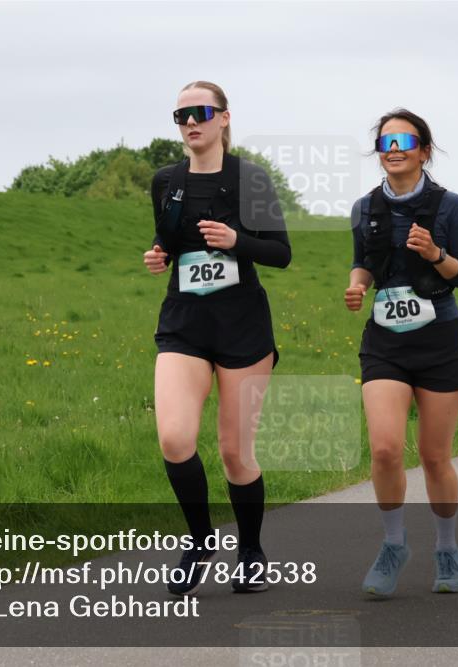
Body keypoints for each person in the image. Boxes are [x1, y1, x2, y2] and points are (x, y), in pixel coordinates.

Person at [144, 80, 291, 596]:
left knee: (235, 453)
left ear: (224, 119)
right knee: (174, 438)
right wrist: (158, 255)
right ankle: (201, 539)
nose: (190, 122)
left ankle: (250, 551)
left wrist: (236, 242)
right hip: (184, 321)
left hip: (242, 325)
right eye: (181, 114)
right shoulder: (166, 181)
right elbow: (167, 239)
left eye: (201, 112)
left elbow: (281, 253)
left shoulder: (250, 179)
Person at [344, 108, 458, 596]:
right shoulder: (364, 209)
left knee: (434, 456)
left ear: (424, 150)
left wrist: (435, 256)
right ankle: (394, 544)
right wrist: (357, 286)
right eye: (385, 142)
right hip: (385, 340)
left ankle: (447, 549)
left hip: (440, 339)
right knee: (383, 449)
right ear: (378, 153)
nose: (394, 148)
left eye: (404, 141)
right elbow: (363, 263)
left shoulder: (450, 207)